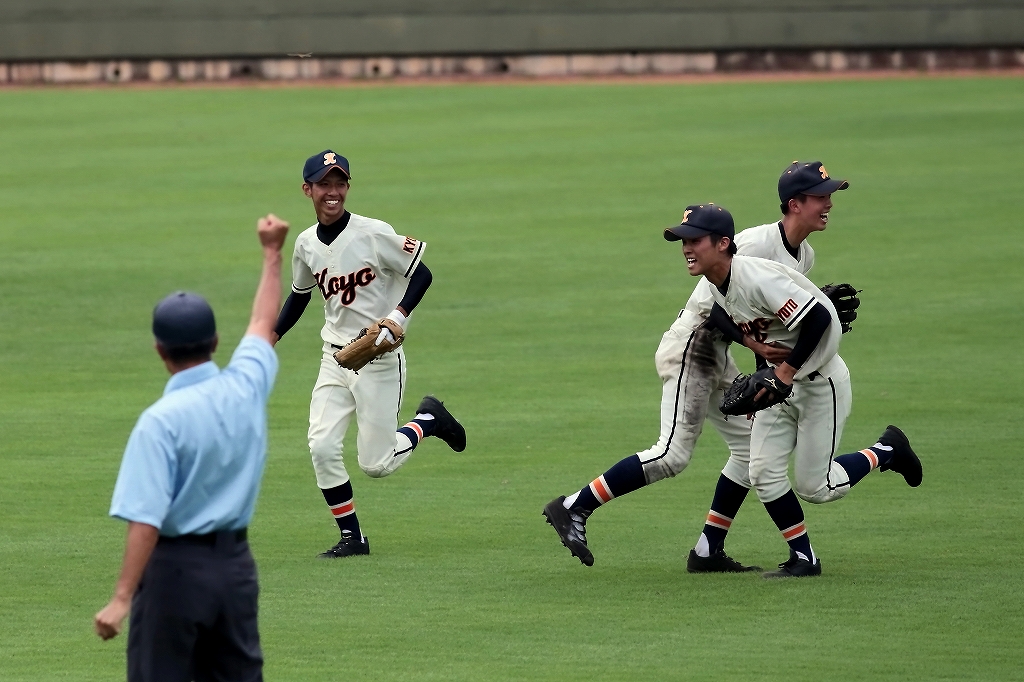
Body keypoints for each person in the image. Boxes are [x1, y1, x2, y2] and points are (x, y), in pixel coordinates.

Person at [542, 161, 848, 571]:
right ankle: (575, 506)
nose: (829, 202)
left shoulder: (802, 255)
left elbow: (760, 316)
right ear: (795, 204)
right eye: (821, 194)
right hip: (696, 344)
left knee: (748, 451)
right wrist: (756, 346)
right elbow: (715, 306)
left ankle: (708, 550)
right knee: (672, 454)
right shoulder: (751, 245)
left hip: (717, 349)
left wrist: (770, 352)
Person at [93, 214, 291, 680]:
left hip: (175, 576)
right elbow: (264, 320)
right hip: (236, 571)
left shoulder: (159, 423)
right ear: (217, 342)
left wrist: (122, 597)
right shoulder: (247, 385)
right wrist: (271, 253)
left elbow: (146, 520)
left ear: (160, 350)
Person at [680, 202, 922, 578]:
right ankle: (805, 559)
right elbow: (718, 313)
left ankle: (886, 450)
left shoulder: (755, 277)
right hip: (782, 385)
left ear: (723, 244)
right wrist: (759, 353)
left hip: (820, 383)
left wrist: (785, 373)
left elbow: (820, 318)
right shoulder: (719, 281)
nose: (686, 248)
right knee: (762, 472)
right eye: (683, 241)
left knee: (817, 487)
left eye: (695, 240)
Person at [273, 150, 466, 559]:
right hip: (334, 358)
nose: (333, 192)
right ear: (307, 189)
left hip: (378, 359)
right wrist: (268, 337)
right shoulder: (306, 244)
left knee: (376, 464)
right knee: (321, 446)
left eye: (340, 183)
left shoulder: (373, 233)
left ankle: (428, 421)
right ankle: (352, 538)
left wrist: (398, 315)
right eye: (324, 184)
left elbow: (423, 272)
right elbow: (299, 296)